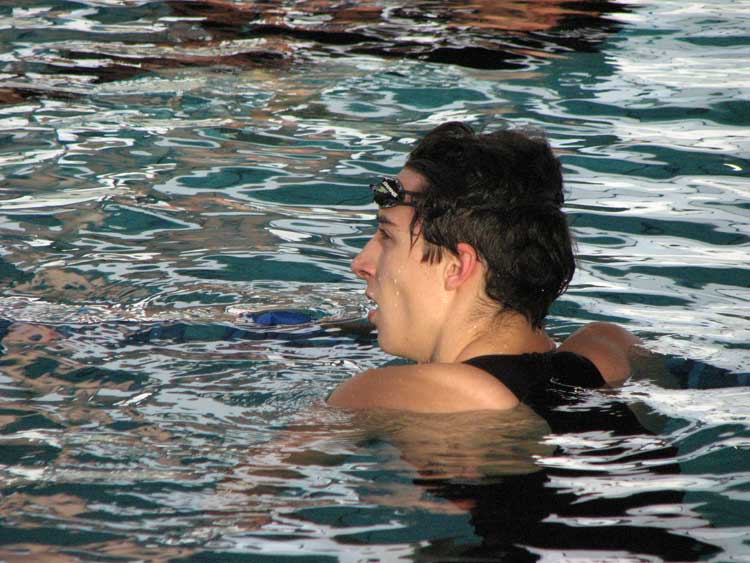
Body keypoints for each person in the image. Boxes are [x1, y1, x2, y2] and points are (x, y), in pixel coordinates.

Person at [328, 122, 640, 413]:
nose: (361, 264)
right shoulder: (610, 351)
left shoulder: (386, 392)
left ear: (457, 267)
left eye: (387, 237)